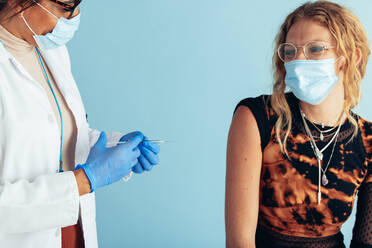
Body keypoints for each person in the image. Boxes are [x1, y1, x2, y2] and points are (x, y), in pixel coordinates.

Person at [0, 0, 160, 247]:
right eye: (64, 6)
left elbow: (59, 133)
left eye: (77, 5)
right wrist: (86, 180)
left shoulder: (51, 51)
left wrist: (115, 145)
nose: (73, 17)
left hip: (73, 233)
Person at [225, 1, 371, 247]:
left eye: (315, 49)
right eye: (290, 51)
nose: (298, 61)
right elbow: (239, 241)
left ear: (350, 58)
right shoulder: (257, 118)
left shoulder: (367, 139)